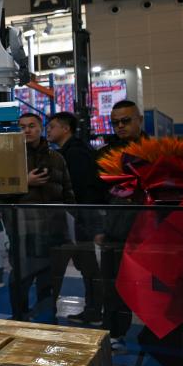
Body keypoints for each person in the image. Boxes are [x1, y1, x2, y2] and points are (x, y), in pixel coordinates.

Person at [1, 112, 75, 320]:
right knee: (20, 280)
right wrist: (24, 182)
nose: (27, 130)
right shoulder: (9, 159)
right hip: (22, 232)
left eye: (32, 125)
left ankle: (46, 322)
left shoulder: (57, 158)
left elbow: (68, 193)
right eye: (22, 126)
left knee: (49, 282)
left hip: (53, 231)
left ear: (41, 128)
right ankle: (19, 319)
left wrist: (73, 224)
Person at [98, 99, 149, 352]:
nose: (120, 126)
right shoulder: (105, 155)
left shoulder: (157, 153)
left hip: (149, 233)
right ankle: (114, 332)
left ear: (140, 120)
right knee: (113, 286)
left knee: (153, 287)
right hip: (115, 232)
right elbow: (94, 195)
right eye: (115, 122)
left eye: (126, 121)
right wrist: (98, 228)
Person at [47, 111, 105, 325]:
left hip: (75, 221)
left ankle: (49, 314)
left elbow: (76, 189)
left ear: (66, 129)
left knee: (59, 269)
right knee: (88, 269)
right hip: (77, 220)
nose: (48, 131)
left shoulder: (75, 154)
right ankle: (93, 311)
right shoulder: (72, 151)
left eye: (52, 126)